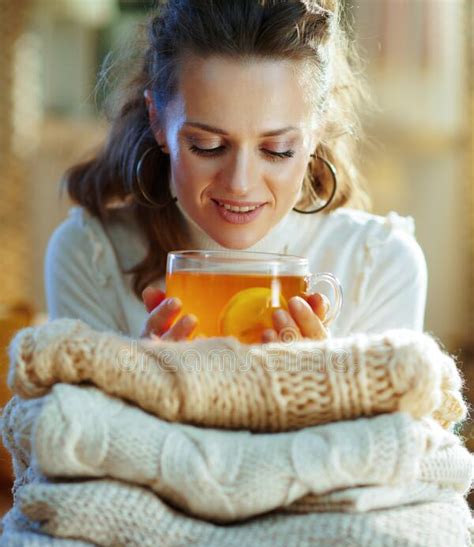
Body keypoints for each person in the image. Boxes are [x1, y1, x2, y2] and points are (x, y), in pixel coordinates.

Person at [45, 0, 427, 343]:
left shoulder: (379, 264)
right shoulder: (91, 256)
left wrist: (322, 389)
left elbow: (392, 424)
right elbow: (78, 418)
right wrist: (138, 383)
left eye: (277, 150)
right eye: (208, 146)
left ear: (317, 131)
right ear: (157, 120)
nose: (240, 183)